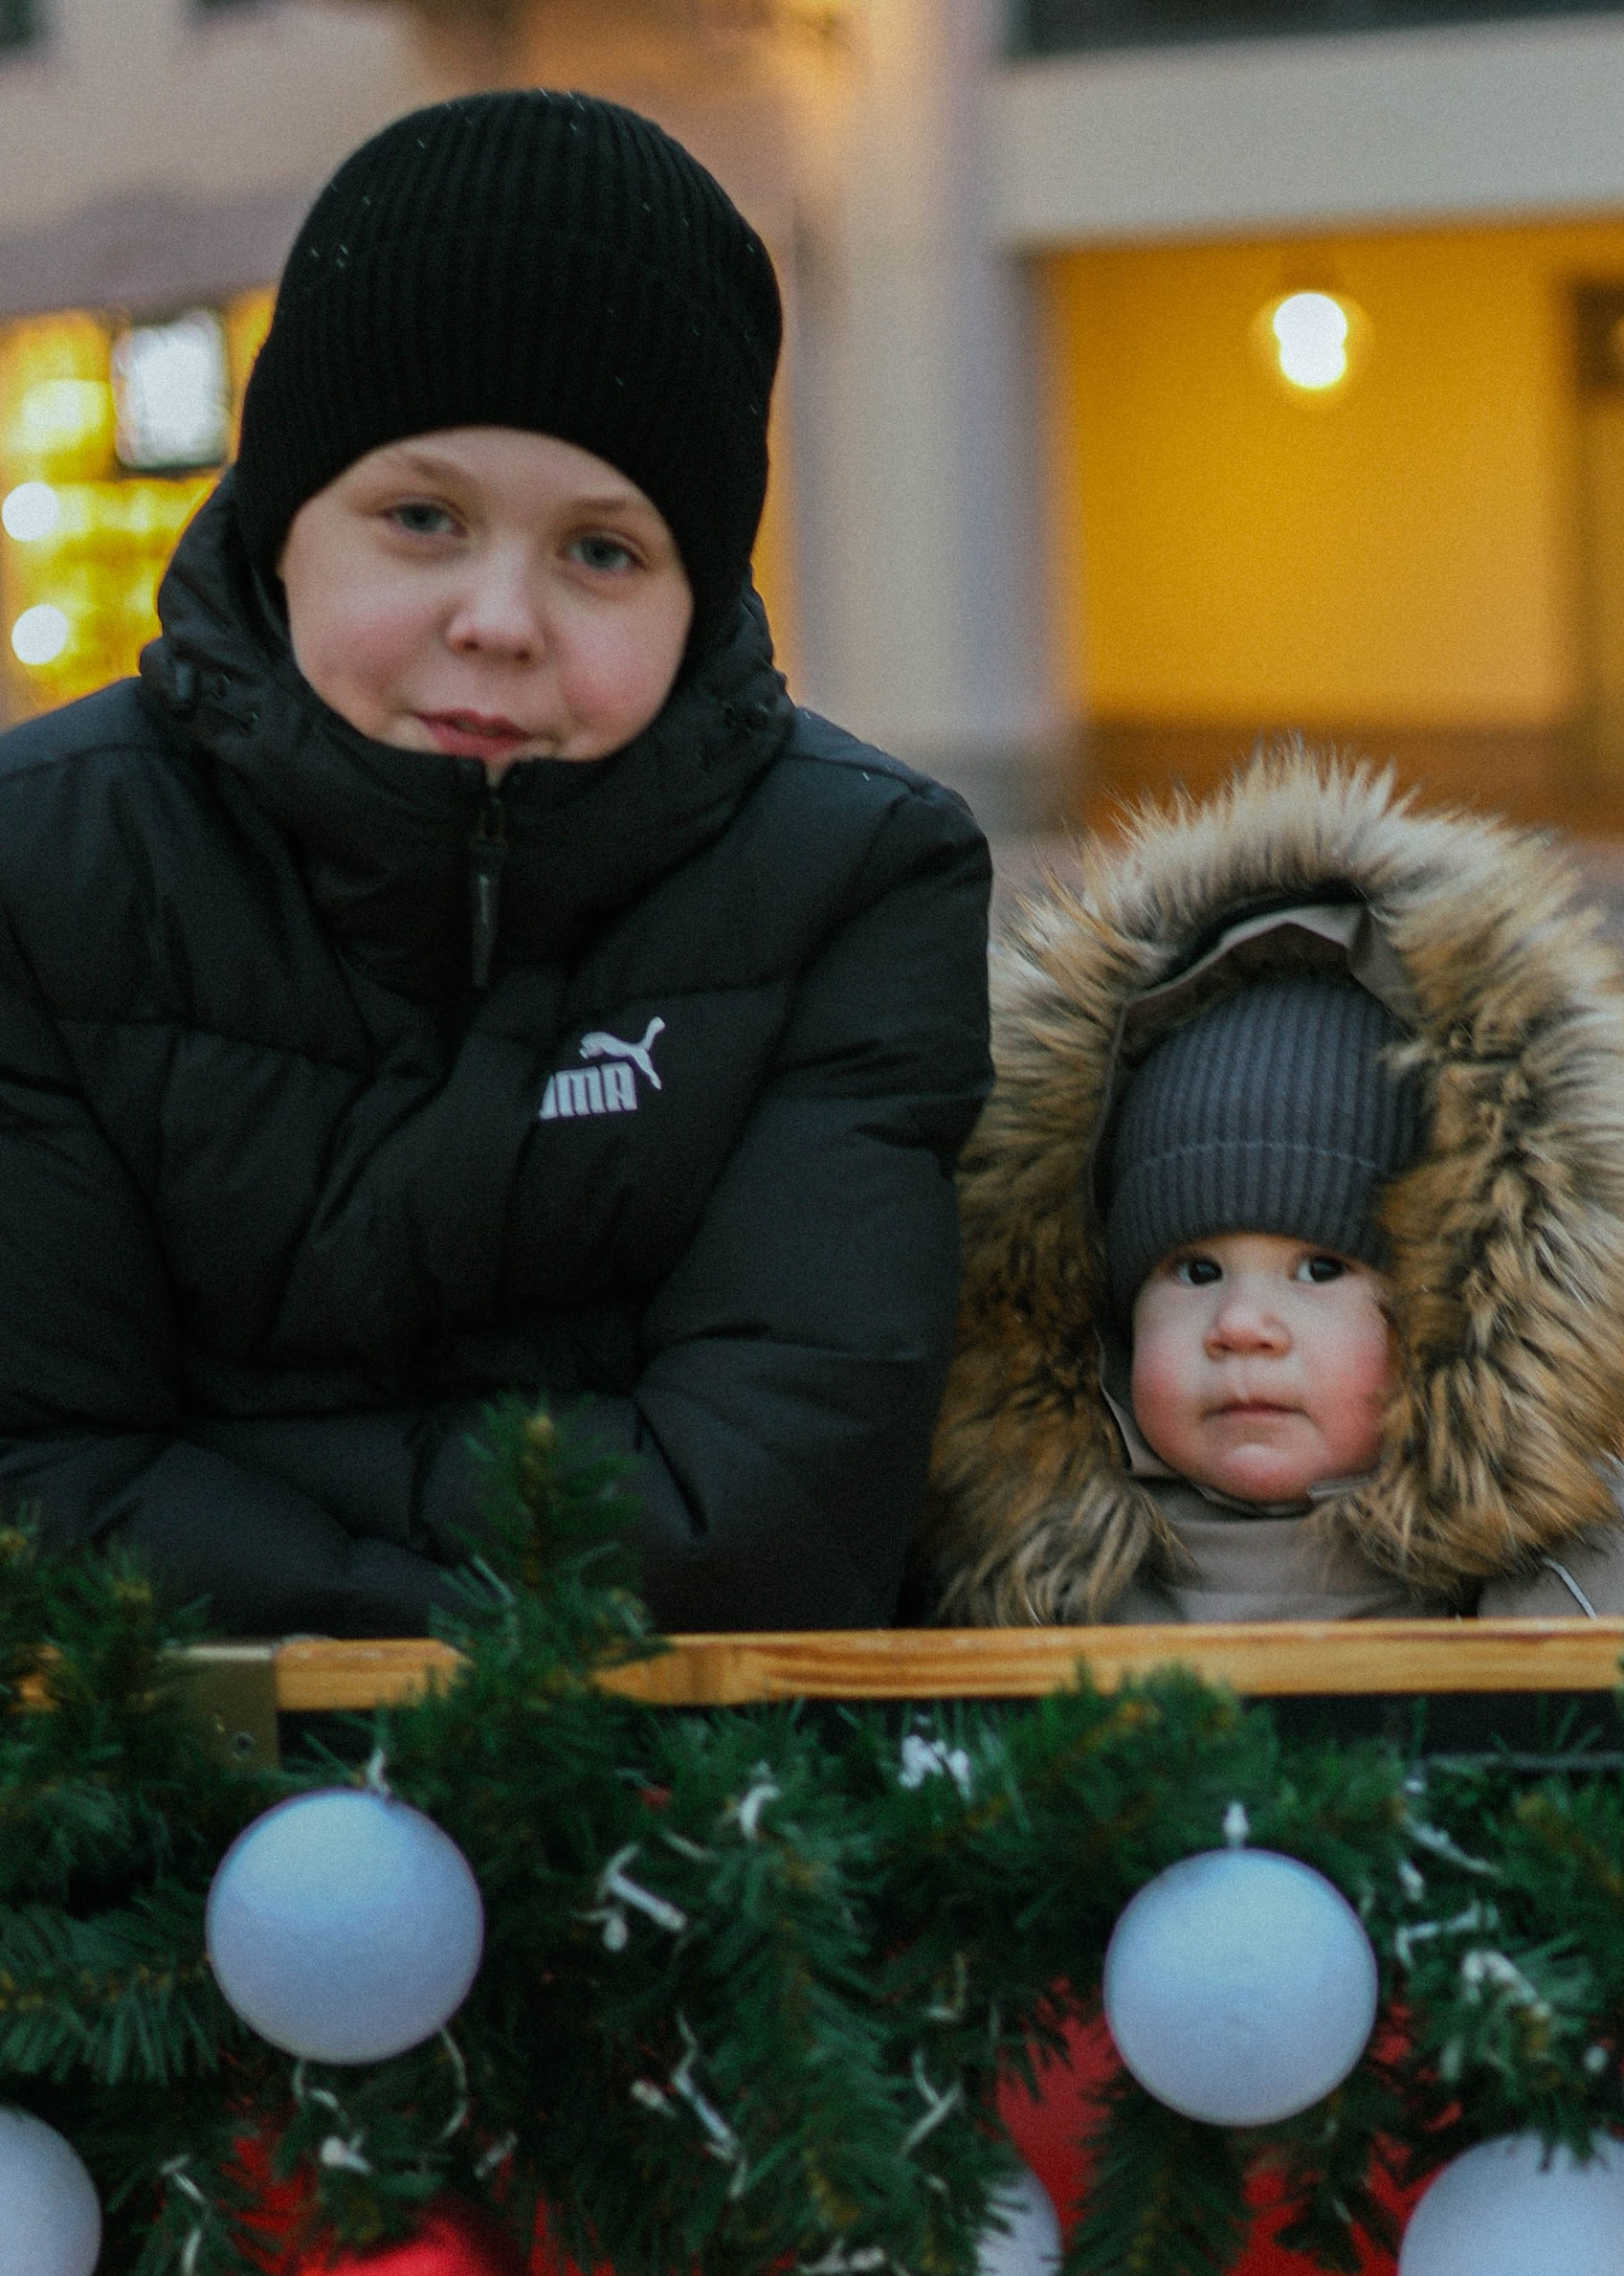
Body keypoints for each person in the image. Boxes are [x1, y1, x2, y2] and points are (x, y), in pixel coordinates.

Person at [0, 91, 990, 1636]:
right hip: (148, 1805)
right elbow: (32, 1487)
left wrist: (222, 1465)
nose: (502, 618)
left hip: (687, 1823)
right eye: (421, 517)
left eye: (602, 550)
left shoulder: (854, 876)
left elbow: (770, 1525)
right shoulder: (40, 860)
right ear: (282, 522)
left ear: (697, 584)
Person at [923, 748, 1624, 1624]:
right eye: (1195, 1271)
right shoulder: (1029, 1580)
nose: (1241, 1329)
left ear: (1454, 1320)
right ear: (1104, 1319)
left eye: (1320, 1269)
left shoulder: (1606, 1580)